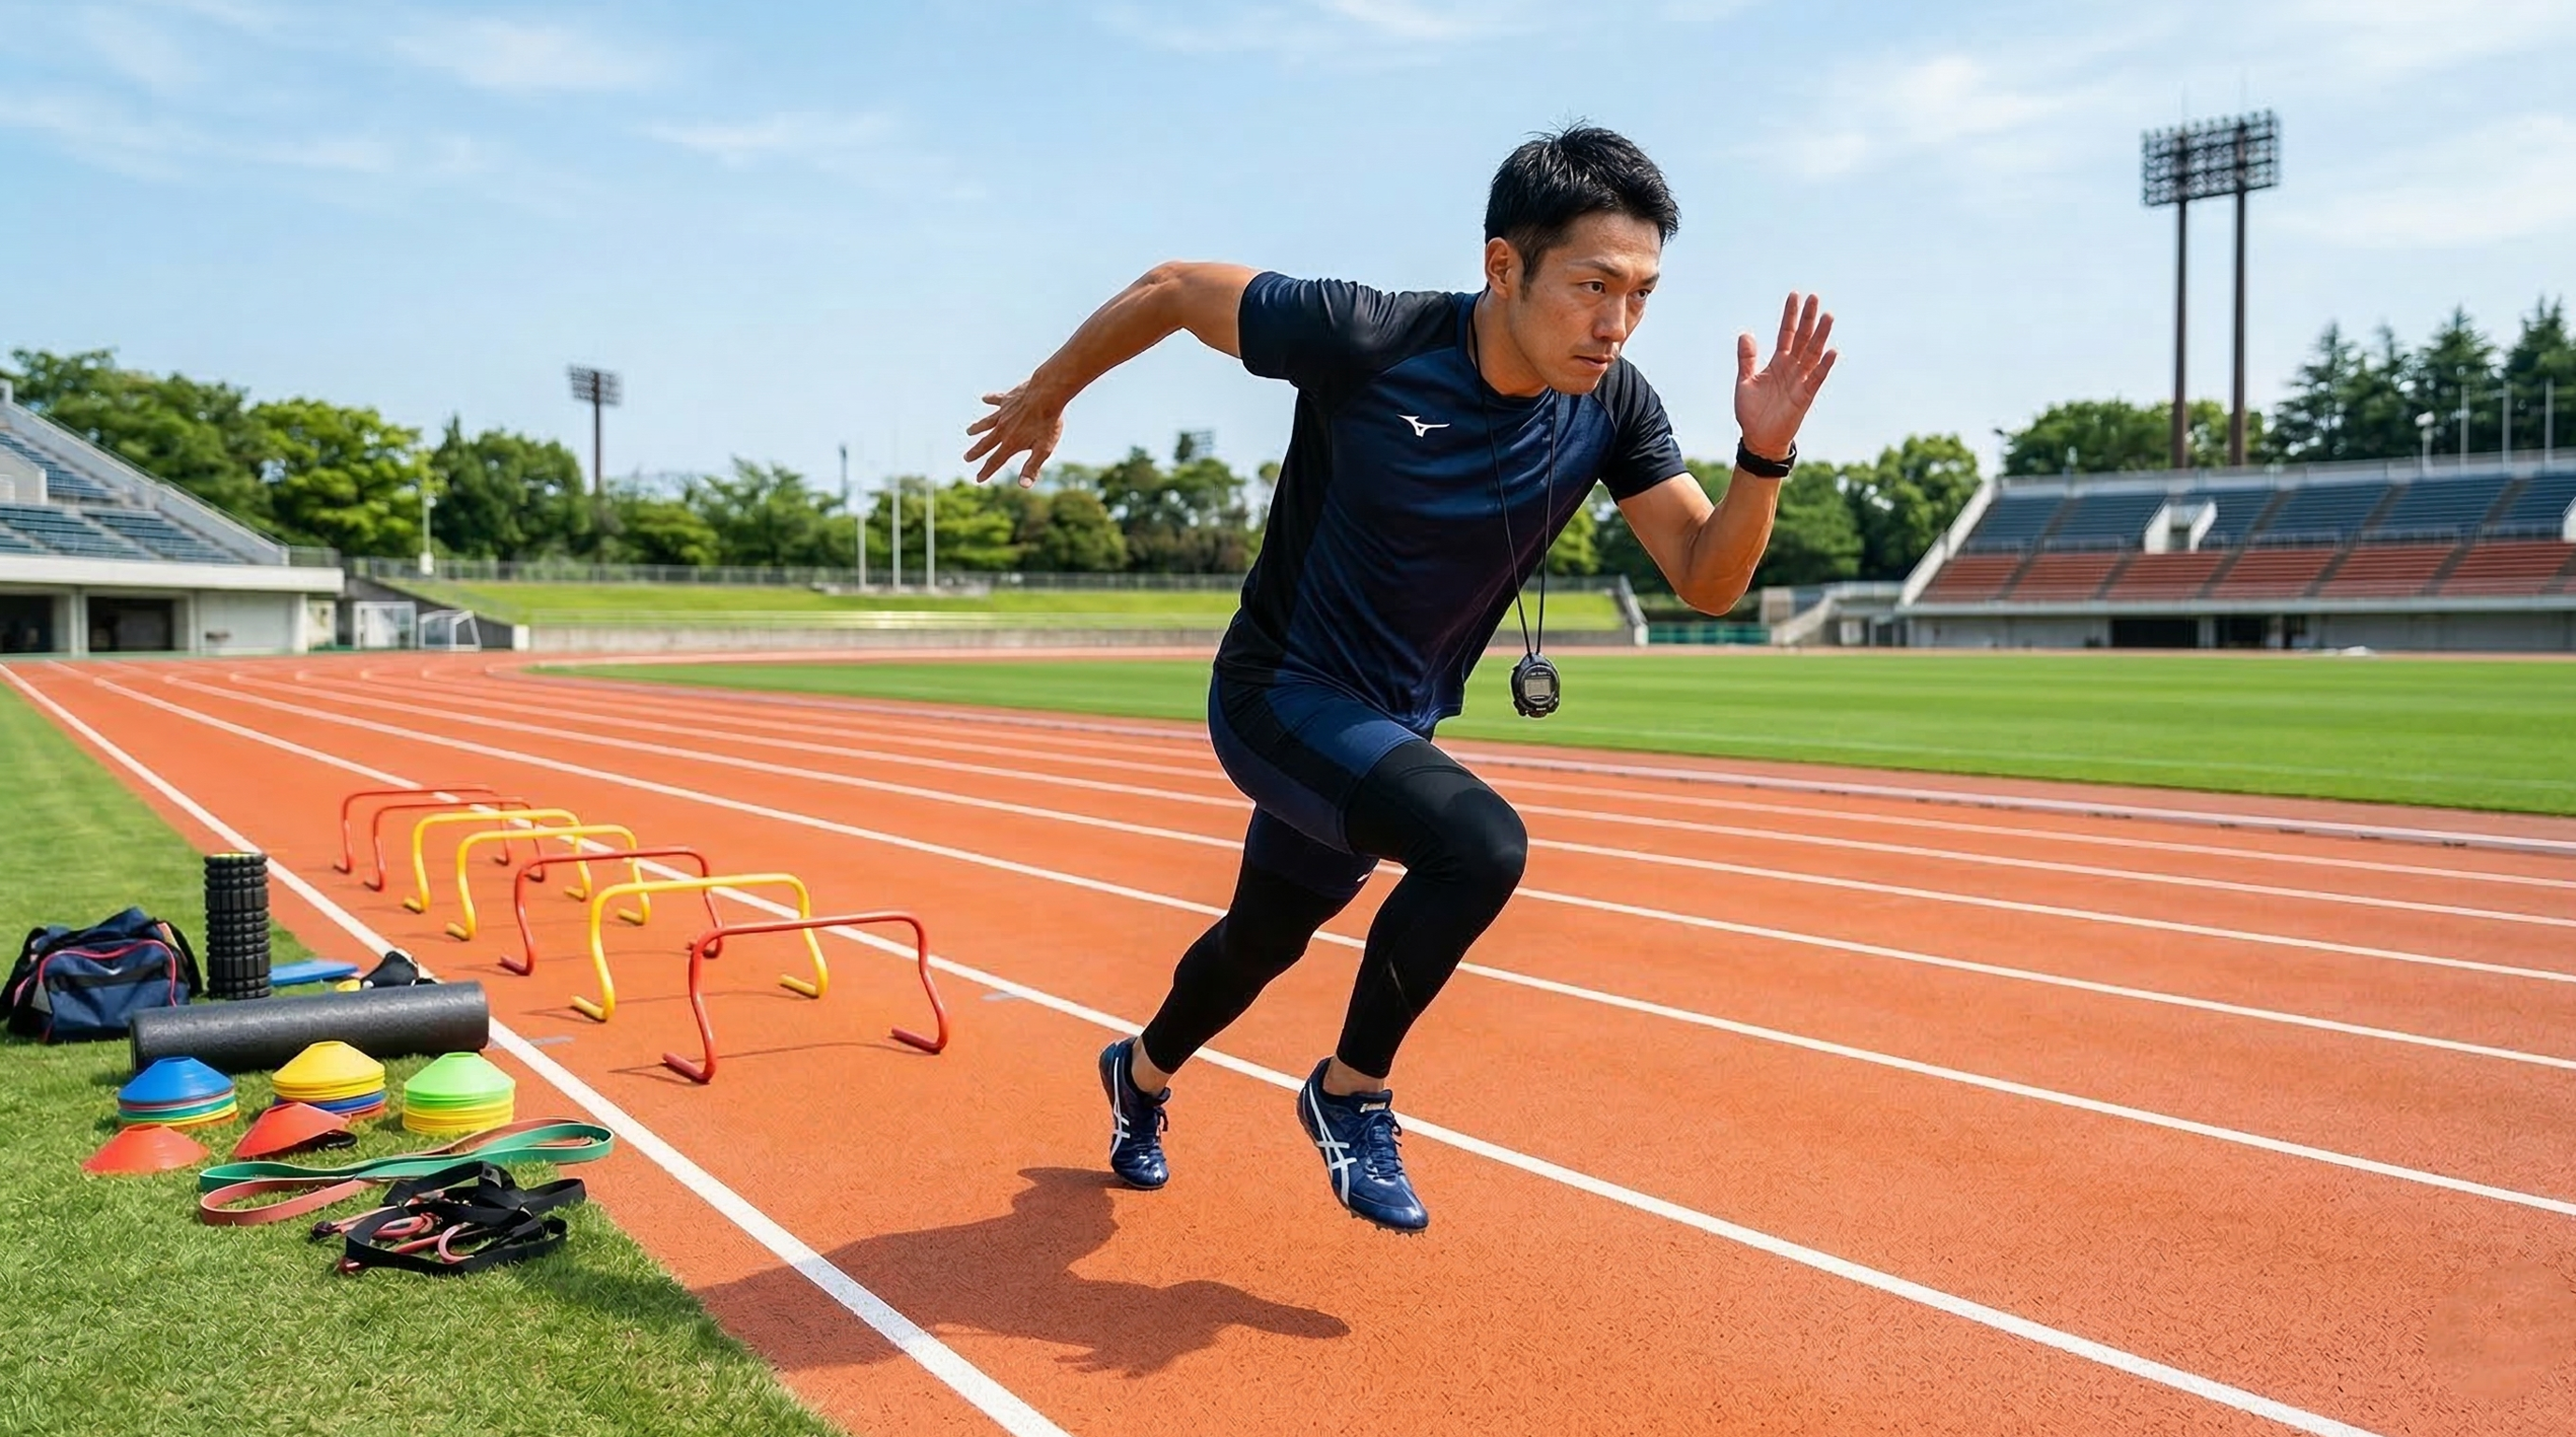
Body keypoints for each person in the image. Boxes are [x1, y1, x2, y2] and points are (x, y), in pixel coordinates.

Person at [964, 124, 1836, 1232]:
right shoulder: (1368, 336)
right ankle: (1350, 1092)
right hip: (1278, 694)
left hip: (1389, 725)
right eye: (1591, 285)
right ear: (1503, 267)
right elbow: (1177, 287)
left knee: (1260, 944)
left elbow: (1709, 579)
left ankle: (1136, 1075)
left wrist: (1764, 456)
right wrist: (1050, 391)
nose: (1614, 323)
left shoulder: (1614, 403)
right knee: (1481, 845)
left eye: (1642, 294)